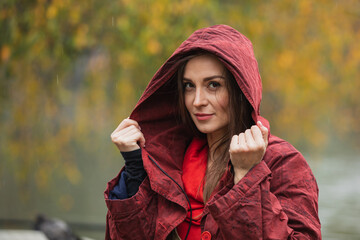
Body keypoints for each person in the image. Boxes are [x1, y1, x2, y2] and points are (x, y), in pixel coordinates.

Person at [104, 25, 321, 240]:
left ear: (240, 89)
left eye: (213, 85)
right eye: (189, 86)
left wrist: (247, 178)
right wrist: (135, 169)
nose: (197, 101)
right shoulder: (165, 158)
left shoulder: (283, 162)